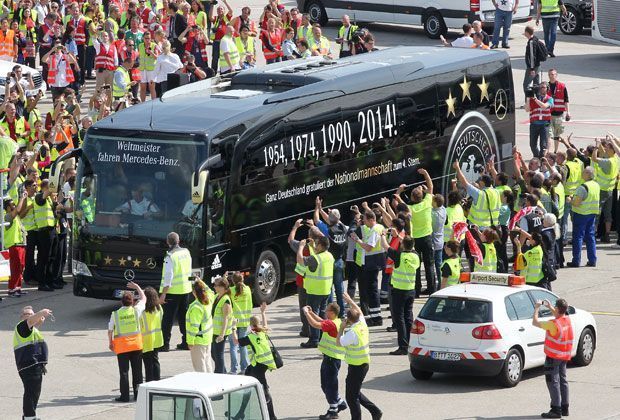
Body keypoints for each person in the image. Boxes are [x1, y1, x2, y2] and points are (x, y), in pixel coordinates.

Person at [337, 293, 382, 420]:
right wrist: (350, 300)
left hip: (356, 367)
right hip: (364, 364)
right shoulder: (362, 324)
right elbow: (360, 311)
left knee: (351, 397)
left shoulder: (352, 333)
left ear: (349, 320)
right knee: (355, 392)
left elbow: (339, 342)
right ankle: (375, 411)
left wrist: (341, 328)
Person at [231, 302, 277, 420]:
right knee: (247, 386)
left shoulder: (250, 337)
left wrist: (233, 327)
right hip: (259, 365)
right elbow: (264, 324)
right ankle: (241, 413)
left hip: (258, 367)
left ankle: (272, 416)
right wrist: (263, 312)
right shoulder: (262, 332)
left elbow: (236, 341)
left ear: (250, 326)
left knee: (264, 391)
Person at [395, 168, 436, 296]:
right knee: (429, 264)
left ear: (412, 197)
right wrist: (425, 173)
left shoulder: (409, 208)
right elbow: (431, 186)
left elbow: (397, 202)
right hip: (427, 237)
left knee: (416, 266)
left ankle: (417, 290)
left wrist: (399, 191)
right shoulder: (427, 202)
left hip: (414, 240)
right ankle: (431, 289)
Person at [304, 302, 348, 419]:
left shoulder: (332, 324)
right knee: (326, 385)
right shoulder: (336, 321)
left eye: (327, 310)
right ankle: (339, 403)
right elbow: (321, 321)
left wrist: (306, 313)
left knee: (329, 385)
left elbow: (315, 324)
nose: (325, 312)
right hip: (331, 358)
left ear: (332, 313)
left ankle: (333, 410)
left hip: (331, 359)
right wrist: (312, 312)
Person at [532, 298, 573, 418]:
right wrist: (550, 307)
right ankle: (565, 408)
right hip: (564, 355)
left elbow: (534, 322)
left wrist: (537, 308)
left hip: (553, 357)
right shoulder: (567, 320)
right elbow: (559, 314)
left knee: (553, 382)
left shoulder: (552, 324)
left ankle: (556, 409)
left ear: (557, 308)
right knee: (563, 380)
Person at [380, 234, 419, 355]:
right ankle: (410, 342)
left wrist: (382, 235)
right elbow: (409, 245)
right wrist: (401, 238)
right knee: (408, 317)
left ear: (402, 245)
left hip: (399, 291)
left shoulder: (399, 255)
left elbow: (385, 245)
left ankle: (402, 346)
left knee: (399, 319)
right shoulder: (416, 256)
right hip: (410, 290)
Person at [108, 281, 145, 402]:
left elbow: (110, 330)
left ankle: (124, 396)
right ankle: (138, 395)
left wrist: (110, 343)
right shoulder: (136, 311)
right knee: (137, 372)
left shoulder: (115, 314)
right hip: (136, 345)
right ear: (133, 302)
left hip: (122, 347)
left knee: (124, 372)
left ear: (121, 302)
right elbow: (144, 297)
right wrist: (137, 287)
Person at [14, 305, 53, 420]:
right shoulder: (21, 326)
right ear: (22, 317)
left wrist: (39, 321)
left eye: (32, 314)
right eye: (28, 314)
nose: (31, 316)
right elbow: (30, 322)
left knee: (34, 391)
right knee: (31, 392)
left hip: (32, 365)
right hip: (29, 365)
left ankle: (29, 416)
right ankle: (29, 417)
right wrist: (41, 313)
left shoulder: (29, 329)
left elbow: (32, 329)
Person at [298, 235, 334, 347]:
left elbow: (301, 260)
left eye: (317, 244)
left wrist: (301, 247)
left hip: (315, 290)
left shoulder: (316, 258)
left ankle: (314, 340)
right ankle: (322, 337)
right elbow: (317, 258)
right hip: (325, 290)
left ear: (321, 245)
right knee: (322, 314)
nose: (316, 245)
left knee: (313, 314)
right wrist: (312, 247)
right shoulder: (329, 255)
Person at [314, 197, 348, 316]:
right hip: (340, 261)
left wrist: (317, 208)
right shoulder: (343, 228)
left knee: (329, 289)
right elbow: (333, 220)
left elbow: (317, 220)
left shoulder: (328, 230)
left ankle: (331, 313)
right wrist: (321, 209)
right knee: (339, 290)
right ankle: (342, 313)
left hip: (330, 262)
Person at [159, 231, 192, 351]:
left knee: (167, 319)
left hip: (173, 292)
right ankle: (186, 342)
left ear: (168, 242)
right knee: (183, 317)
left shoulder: (170, 256)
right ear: (178, 241)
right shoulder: (186, 252)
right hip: (186, 289)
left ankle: (165, 344)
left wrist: (163, 294)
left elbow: (168, 277)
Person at [351, 211, 385, 326]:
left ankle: (376, 318)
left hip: (372, 263)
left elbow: (369, 248)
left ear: (371, 220)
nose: (363, 222)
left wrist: (358, 241)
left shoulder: (375, 230)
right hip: (373, 262)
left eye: (365, 220)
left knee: (372, 291)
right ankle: (374, 316)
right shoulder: (379, 227)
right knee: (371, 291)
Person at [567, 166, 599, 267]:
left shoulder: (583, 187)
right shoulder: (596, 185)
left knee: (578, 237)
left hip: (581, 214)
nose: (582, 173)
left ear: (588, 174)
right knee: (590, 236)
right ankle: (592, 260)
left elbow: (576, 203)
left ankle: (576, 260)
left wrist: (569, 200)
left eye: (584, 172)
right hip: (592, 213)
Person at [592, 139, 619, 243]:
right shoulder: (615, 159)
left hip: (602, 190)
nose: (606, 149)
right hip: (610, 190)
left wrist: (595, 148)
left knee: (597, 212)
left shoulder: (607, 162)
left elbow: (594, 158)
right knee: (608, 213)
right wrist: (600, 145)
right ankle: (607, 235)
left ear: (612, 150)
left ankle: (593, 234)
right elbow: (604, 153)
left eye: (608, 147)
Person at [34, 179, 58, 291]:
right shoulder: (39, 197)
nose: (53, 190)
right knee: (44, 258)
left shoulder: (49, 199)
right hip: (44, 231)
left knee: (52, 257)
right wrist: (55, 179)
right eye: (50, 187)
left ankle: (49, 280)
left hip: (52, 230)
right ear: (45, 187)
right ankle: (42, 283)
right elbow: (47, 193)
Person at [186, 278, 215, 372]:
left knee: (200, 367)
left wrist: (190, 341)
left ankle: (203, 384)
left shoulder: (196, 307)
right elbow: (210, 291)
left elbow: (194, 327)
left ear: (194, 292)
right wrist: (201, 281)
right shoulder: (209, 300)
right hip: (207, 338)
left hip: (198, 341)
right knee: (207, 362)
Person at [229, 271, 252, 375]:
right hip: (244, 321)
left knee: (233, 346)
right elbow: (250, 305)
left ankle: (234, 369)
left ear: (233, 281)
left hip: (233, 321)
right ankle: (244, 367)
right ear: (243, 279)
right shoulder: (247, 289)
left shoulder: (231, 291)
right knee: (243, 345)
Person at [140, 286, 163, 382]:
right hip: (157, 339)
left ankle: (149, 383)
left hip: (146, 340)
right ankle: (157, 381)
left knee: (148, 364)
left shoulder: (142, 311)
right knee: (155, 360)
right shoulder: (159, 308)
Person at [5, 195, 26, 296]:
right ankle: (11, 289)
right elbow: (18, 210)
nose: (14, 205)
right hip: (13, 245)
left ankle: (18, 288)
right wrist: (22, 198)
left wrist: (25, 199)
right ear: (8, 208)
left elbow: (21, 210)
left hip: (20, 244)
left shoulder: (15, 216)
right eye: (12, 204)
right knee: (14, 268)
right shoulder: (7, 216)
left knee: (20, 267)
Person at [525, 82, 554, 158]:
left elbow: (544, 106)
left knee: (543, 145)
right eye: (540, 87)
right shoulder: (532, 99)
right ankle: (536, 157)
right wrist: (528, 99)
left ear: (547, 89)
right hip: (534, 124)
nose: (541, 89)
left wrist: (535, 99)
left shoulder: (549, 99)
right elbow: (527, 109)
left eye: (543, 87)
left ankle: (541, 159)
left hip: (544, 125)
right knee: (532, 144)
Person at [211, 276, 233, 373]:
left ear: (222, 287)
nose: (214, 287)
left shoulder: (226, 300)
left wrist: (222, 335)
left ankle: (219, 374)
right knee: (213, 353)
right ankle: (223, 372)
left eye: (216, 285)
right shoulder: (217, 296)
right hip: (214, 330)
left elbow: (225, 318)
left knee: (218, 355)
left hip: (220, 331)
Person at [548, 69, 570, 153]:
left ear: (556, 75)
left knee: (557, 134)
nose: (551, 76)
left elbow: (566, 100)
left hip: (559, 114)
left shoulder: (562, 86)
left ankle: (555, 151)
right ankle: (548, 151)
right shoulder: (545, 86)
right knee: (548, 134)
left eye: (553, 74)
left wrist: (568, 112)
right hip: (548, 114)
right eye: (550, 74)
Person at [523, 26, 542, 96]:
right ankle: (537, 100)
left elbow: (532, 56)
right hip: (538, 65)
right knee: (536, 85)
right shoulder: (535, 39)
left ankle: (528, 102)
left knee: (526, 85)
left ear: (527, 33)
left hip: (533, 67)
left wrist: (532, 69)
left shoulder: (531, 42)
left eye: (525, 32)